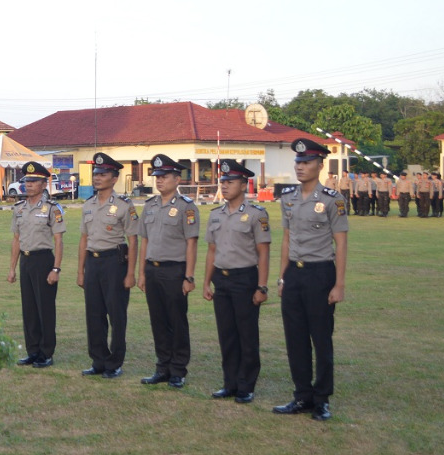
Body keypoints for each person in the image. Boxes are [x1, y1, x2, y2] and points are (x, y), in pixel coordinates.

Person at [275, 138, 348, 422]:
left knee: (321, 338)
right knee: (295, 339)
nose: (300, 167)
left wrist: (339, 284)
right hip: (294, 273)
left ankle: (322, 399)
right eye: (298, 162)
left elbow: (340, 244)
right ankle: (302, 396)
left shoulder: (332, 199)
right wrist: (282, 278)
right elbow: (286, 240)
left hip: (320, 273)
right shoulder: (288, 198)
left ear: (320, 165)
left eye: (306, 163)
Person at [203, 159, 271, 404]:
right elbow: (212, 251)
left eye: (230, 182)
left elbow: (263, 252)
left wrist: (262, 286)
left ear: (244, 185)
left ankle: (246, 385)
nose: (225, 185)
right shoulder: (216, 215)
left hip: (245, 279)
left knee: (247, 334)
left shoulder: (256, 214)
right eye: (223, 181)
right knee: (227, 334)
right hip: (222, 279)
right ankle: (229, 383)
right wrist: (206, 282)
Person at [136, 154, 198, 388]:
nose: (159, 181)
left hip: (175, 271)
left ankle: (178, 369)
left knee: (177, 321)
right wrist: (142, 273)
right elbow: (144, 241)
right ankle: (162, 367)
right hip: (153, 270)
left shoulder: (186, 208)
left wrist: (189, 276)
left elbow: (191, 243)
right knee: (158, 321)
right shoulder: (150, 206)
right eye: (157, 177)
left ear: (177, 179)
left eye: (164, 177)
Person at [76, 152, 140, 379]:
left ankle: (115, 363)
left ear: (114, 178)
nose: (97, 178)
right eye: (95, 174)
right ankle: (98, 360)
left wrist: (131, 273)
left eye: (103, 174)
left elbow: (133, 240)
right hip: (93, 263)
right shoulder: (88, 205)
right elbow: (83, 239)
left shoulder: (124, 205)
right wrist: (80, 271)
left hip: (115, 263)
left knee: (116, 314)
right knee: (94, 314)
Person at [7, 160, 66, 369]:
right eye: (27, 181)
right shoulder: (19, 208)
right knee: (29, 309)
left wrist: (56, 269)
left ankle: (46, 352)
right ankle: (32, 351)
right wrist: (12, 268)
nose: (29, 184)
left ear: (44, 184)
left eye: (34, 181)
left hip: (44, 260)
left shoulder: (52, 208)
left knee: (45, 309)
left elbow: (58, 240)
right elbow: (16, 239)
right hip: (26, 260)